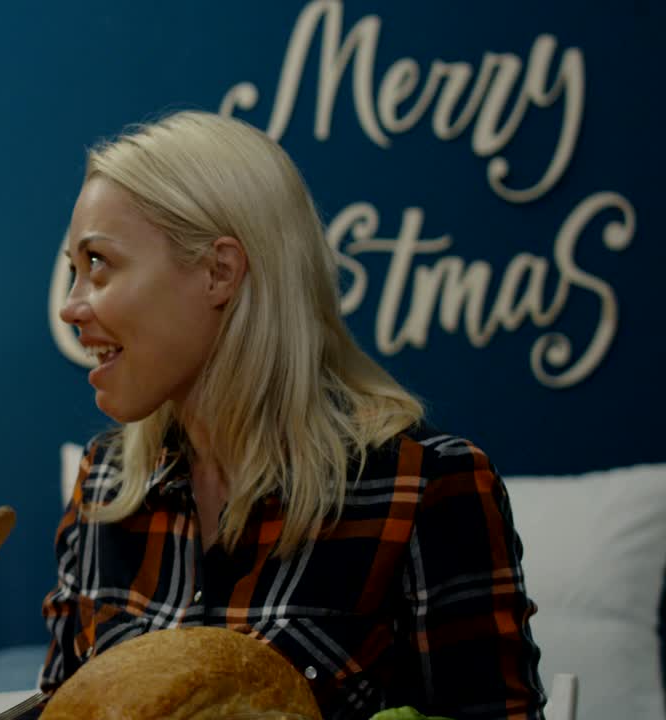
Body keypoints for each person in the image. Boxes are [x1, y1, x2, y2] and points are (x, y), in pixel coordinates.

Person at [38, 111, 545, 719]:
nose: (71, 308)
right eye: (74, 269)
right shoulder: (104, 484)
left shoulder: (428, 487)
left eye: (98, 263)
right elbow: (62, 707)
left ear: (218, 272)